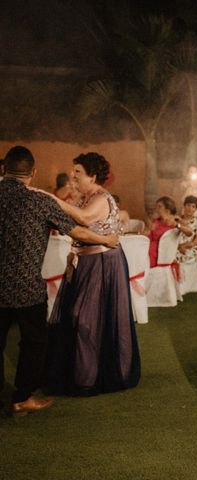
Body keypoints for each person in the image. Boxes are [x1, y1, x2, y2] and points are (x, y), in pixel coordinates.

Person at [0, 146, 118, 415]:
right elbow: (77, 230)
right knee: (33, 342)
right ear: (33, 173)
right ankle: (23, 397)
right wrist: (106, 240)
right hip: (26, 287)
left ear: (4, 170)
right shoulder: (39, 201)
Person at [41, 152, 141, 396]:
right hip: (84, 262)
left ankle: (91, 376)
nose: (73, 176)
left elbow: (83, 219)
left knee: (84, 319)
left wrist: (50, 198)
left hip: (102, 263)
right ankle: (81, 373)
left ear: (93, 176)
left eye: (78, 172)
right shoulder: (86, 197)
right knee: (78, 318)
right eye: (73, 171)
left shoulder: (101, 198)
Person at [146, 196, 192, 267]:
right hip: (149, 249)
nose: (156, 209)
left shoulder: (175, 219)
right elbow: (148, 236)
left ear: (167, 210)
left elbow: (190, 232)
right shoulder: (156, 221)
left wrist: (176, 225)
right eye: (156, 207)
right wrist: (148, 230)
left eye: (159, 207)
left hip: (162, 255)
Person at [176, 196, 197, 264]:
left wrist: (184, 246)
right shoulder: (177, 220)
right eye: (188, 205)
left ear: (196, 209)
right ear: (184, 206)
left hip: (189, 249)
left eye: (193, 206)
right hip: (176, 248)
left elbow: (196, 242)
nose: (190, 208)